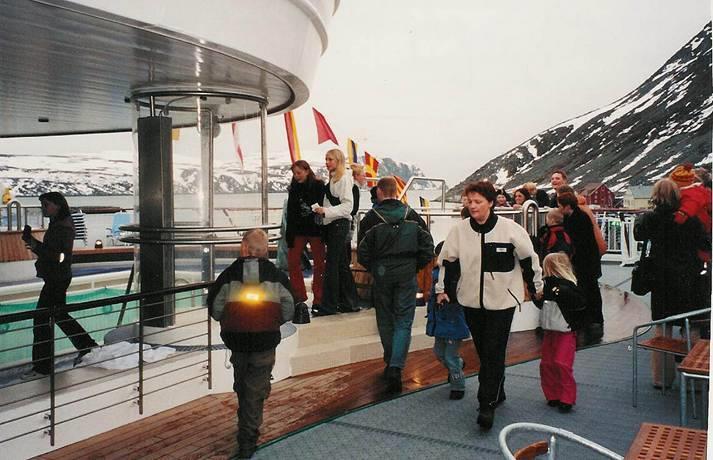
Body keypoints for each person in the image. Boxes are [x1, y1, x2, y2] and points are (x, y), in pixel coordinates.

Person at [436, 180, 543, 430]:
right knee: (485, 351)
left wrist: (536, 287)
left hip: (503, 301)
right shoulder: (459, 231)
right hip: (472, 302)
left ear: (491, 203)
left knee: (494, 350)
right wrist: (443, 290)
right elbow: (448, 262)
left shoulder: (510, 230)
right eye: (469, 202)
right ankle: (498, 389)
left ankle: (486, 404)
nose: (472, 206)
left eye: (477, 202)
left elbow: (530, 259)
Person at [207, 229, 295, 459]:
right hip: (265, 339)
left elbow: (215, 309)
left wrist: (229, 320)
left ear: (244, 247)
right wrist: (273, 320)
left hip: (236, 340)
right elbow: (289, 307)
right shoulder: (276, 276)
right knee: (256, 388)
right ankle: (247, 438)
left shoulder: (228, 275)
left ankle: (245, 422)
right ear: (265, 250)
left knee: (242, 382)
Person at [357, 177, 434, 393]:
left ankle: (390, 361)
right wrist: (415, 266)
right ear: (396, 191)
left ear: (380, 192)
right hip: (406, 273)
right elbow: (428, 246)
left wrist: (375, 268)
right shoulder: (412, 216)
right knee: (403, 320)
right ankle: (396, 367)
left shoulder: (371, 219)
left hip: (382, 274)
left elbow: (362, 252)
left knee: (384, 319)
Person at [634, 179, 708, 389]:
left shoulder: (650, 219)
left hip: (661, 279)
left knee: (662, 328)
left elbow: (639, 234)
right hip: (689, 278)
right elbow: (704, 243)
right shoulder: (690, 219)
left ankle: (661, 379)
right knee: (691, 327)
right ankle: (694, 380)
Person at [21, 192, 99, 379]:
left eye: (46, 205)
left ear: (57, 205)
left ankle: (43, 367)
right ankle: (87, 346)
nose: (43, 209)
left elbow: (58, 256)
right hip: (58, 277)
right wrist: (34, 243)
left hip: (56, 279)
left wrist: (35, 245)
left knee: (41, 320)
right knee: (59, 315)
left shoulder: (62, 228)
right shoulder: (59, 224)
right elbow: (57, 254)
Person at [534, 253, 587, 413]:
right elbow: (541, 304)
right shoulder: (547, 285)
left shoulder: (569, 286)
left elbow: (579, 304)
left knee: (562, 363)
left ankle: (566, 398)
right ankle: (553, 395)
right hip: (551, 330)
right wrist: (538, 297)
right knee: (547, 363)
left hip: (565, 331)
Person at [313, 149, 358, 315]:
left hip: (338, 225)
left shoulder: (344, 179)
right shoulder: (334, 179)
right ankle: (350, 302)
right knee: (341, 265)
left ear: (338, 161)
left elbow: (348, 206)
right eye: (326, 159)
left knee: (332, 266)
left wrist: (325, 211)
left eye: (330, 159)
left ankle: (329, 305)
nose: (327, 162)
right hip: (334, 224)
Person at [558, 191, 604, 342]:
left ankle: (594, 319)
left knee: (590, 289)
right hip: (586, 260)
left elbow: (581, 242)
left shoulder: (578, 219)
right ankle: (592, 319)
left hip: (586, 261)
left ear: (567, 206)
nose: (559, 209)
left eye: (560, 206)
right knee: (589, 289)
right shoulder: (575, 216)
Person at [426, 242, 469, 400]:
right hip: (439, 321)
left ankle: (458, 385)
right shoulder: (436, 273)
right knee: (439, 353)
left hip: (453, 321)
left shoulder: (457, 275)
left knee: (450, 357)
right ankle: (458, 365)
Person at [285, 160, 326, 323]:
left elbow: (323, 206)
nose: (296, 176)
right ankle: (299, 296)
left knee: (319, 265)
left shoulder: (318, 186)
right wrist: (289, 235)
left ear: (307, 171)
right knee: (292, 262)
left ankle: (319, 298)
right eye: (294, 173)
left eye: (299, 173)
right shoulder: (293, 188)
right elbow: (291, 212)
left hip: (316, 230)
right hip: (298, 231)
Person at [669, 163, 712, 264]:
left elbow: (685, 212)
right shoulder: (699, 192)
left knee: (696, 259)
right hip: (700, 234)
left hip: (696, 236)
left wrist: (675, 219)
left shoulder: (691, 195)